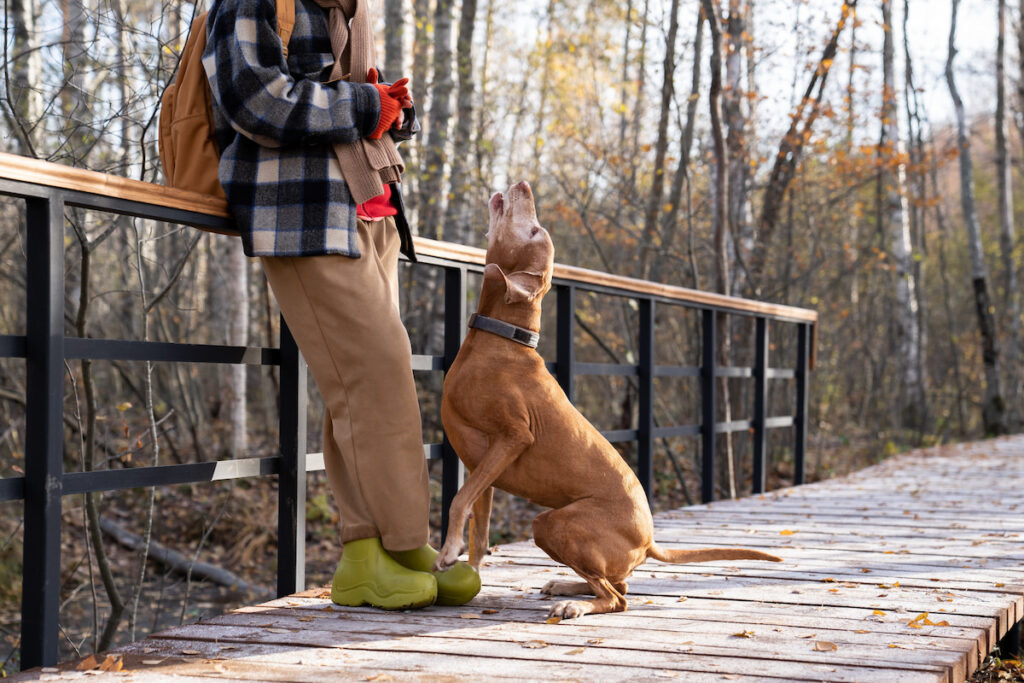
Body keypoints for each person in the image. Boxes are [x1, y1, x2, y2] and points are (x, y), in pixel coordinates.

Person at [203, 0, 479, 609]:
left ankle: (369, 555)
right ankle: (405, 544)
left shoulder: (350, 9)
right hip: (299, 214)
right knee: (378, 372)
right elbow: (253, 98)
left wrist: (390, 108)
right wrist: (362, 105)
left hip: (370, 205)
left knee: (360, 386)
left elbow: (351, 97)